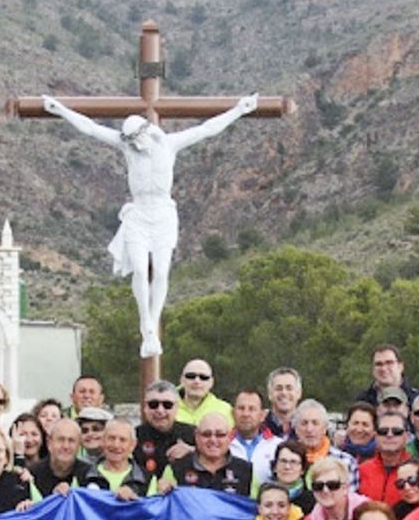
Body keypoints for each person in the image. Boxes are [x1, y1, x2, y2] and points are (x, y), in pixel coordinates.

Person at [42, 91, 259, 357]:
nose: (134, 145)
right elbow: (90, 128)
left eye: (136, 139)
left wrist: (239, 109)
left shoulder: (169, 144)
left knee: (161, 272)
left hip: (163, 215)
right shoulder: (126, 147)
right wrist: (61, 109)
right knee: (141, 271)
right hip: (138, 215)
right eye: (130, 141)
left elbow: (208, 129)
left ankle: (152, 324)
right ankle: (146, 325)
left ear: (147, 132)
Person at [161, 413, 251, 495]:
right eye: (206, 434)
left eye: (220, 434)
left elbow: (258, 507)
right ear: (196, 436)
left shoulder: (247, 471)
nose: (213, 440)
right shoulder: (175, 469)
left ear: (229, 437)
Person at [134, 380, 195, 477]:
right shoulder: (133, 436)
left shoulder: (193, 434)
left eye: (167, 405)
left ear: (177, 408)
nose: (160, 410)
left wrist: (193, 452)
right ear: (145, 407)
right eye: (153, 405)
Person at [81, 417, 150, 500]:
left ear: (132, 445)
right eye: (111, 438)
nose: (116, 445)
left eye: (122, 440)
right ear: (103, 441)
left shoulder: (147, 479)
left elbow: (150, 511)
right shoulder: (83, 475)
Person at [357, 412, 415, 506]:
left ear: (407, 437)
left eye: (397, 431)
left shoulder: (417, 470)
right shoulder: (362, 470)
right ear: (375, 436)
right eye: (383, 431)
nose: (389, 435)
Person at [291, 400, 355, 478]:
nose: (309, 429)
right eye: (304, 423)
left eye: (315, 423)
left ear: (325, 428)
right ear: (296, 429)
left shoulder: (345, 461)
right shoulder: (286, 461)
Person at [35, 417, 92, 495]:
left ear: (79, 445)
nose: (66, 446)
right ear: (49, 443)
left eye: (71, 440)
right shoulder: (32, 475)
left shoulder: (90, 475)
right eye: (61, 440)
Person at [229, 388, 276, 475]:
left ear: (263, 415)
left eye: (252, 409)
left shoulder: (277, 446)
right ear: (232, 413)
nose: (246, 414)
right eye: (241, 408)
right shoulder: (221, 445)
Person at [174, 357, 233, 427]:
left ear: (211, 382)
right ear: (181, 379)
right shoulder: (164, 406)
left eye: (203, 377)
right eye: (191, 376)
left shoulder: (226, 410)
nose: (197, 381)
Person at [356, 344, 419, 408]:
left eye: (389, 363)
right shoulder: (362, 401)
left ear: (400, 366)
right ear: (372, 369)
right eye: (378, 364)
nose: (383, 368)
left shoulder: (417, 400)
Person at [264, 440, 315, 514]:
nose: (287, 467)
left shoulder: (312, 499)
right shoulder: (264, 496)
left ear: (302, 470)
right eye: (283, 461)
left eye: (293, 462)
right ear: (275, 467)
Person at [264, 367, 302, 439]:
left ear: (299, 393)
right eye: (278, 388)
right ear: (269, 394)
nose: (284, 393)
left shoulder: (309, 429)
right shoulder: (258, 429)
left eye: (289, 388)